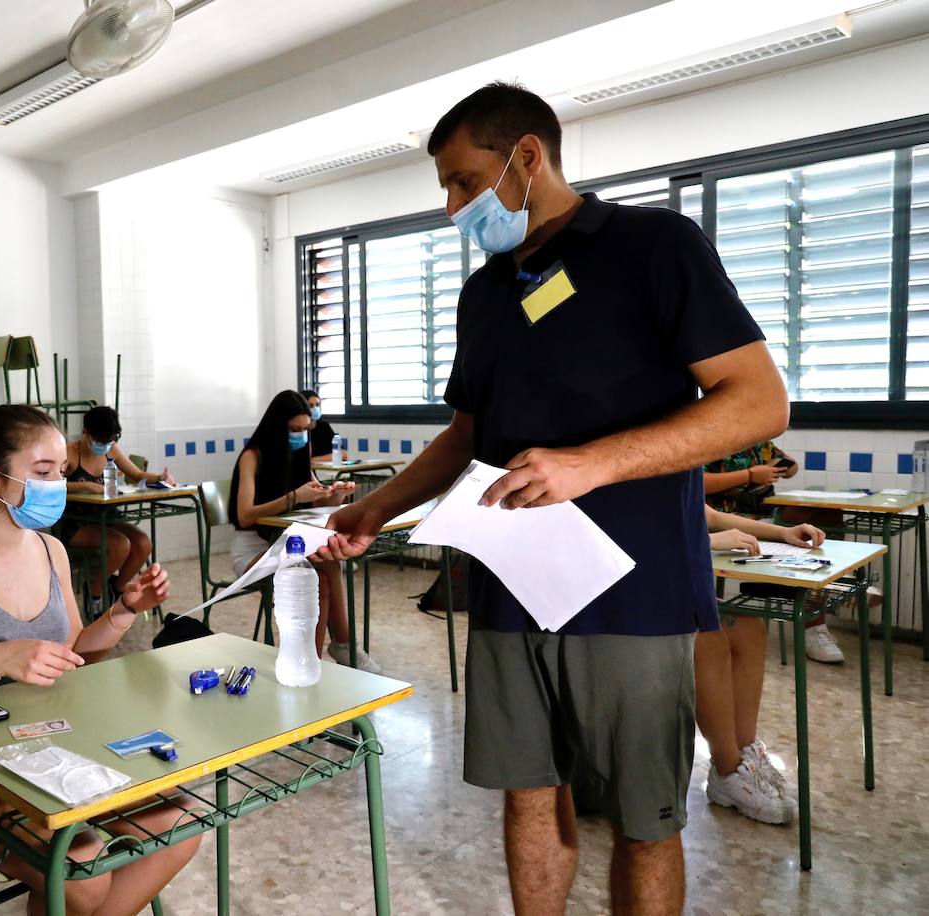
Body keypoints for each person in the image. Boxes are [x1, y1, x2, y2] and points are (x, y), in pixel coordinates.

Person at [320, 82, 788, 916]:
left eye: (466, 182)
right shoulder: (488, 292)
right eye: (447, 191)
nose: (455, 207)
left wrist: (591, 465)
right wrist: (374, 508)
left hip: (632, 592)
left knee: (645, 820)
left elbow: (757, 402)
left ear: (527, 157)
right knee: (529, 793)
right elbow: (468, 435)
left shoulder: (656, 245)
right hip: (511, 586)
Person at [0, 405, 198, 915]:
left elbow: (73, 654)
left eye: (59, 471)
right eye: (45, 473)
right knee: (82, 872)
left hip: (55, 746)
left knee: (181, 823)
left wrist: (123, 611)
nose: (60, 485)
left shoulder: (51, 550)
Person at [228, 390, 377, 672]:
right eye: (294, 430)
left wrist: (336, 494)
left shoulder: (299, 452)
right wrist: (293, 498)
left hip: (288, 543)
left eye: (305, 430)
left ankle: (339, 649)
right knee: (316, 579)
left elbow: (316, 497)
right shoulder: (253, 456)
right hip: (253, 551)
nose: (300, 435)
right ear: (277, 426)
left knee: (328, 557)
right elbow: (245, 516)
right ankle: (316, 661)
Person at [701, 507, 824, 825]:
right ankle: (726, 769)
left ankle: (745, 758)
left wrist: (782, 532)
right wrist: (707, 541)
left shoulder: (667, 466)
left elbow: (708, 515)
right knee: (708, 638)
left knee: (749, 627)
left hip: (672, 586)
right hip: (625, 596)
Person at [706, 442, 847, 664]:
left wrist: (784, 533)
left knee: (820, 517)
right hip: (729, 518)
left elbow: (791, 467)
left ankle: (826, 591)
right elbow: (708, 510)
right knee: (743, 629)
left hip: (757, 517)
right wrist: (749, 475)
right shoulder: (704, 441)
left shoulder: (760, 441)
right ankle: (824, 591)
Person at [62, 405, 173, 615]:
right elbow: (53, 484)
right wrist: (86, 485)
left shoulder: (111, 449)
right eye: (100, 440)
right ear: (86, 432)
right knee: (121, 545)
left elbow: (138, 474)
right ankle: (94, 593)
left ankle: (117, 589)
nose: (104, 445)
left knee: (143, 543)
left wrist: (161, 478)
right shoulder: (70, 452)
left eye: (109, 440)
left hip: (107, 517)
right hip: (76, 522)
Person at [301, 389, 347, 464]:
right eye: (311, 405)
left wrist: (313, 460)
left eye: (317, 405)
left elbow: (343, 454)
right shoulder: (299, 430)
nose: (315, 408)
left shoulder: (324, 427)